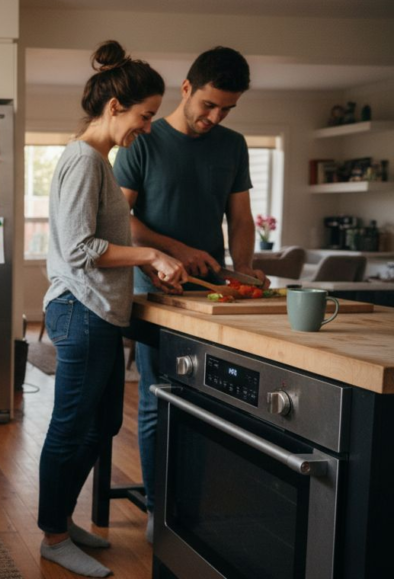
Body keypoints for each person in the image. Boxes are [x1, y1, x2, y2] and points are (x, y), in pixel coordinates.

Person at [39, 40, 187, 578]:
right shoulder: (83, 161)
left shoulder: (98, 160)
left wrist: (141, 263)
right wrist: (149, 252)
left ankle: (59, 520)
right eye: (145, 116)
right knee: (72, 426)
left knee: (99, 424)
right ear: (114, 107)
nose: (147, 128)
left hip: (97, 311)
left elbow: (97, 244)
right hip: (81, 311)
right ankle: (54, 536)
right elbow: (80, 249)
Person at [113, 46, 271, 544]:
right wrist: (176, 248)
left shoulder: (234, 144)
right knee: (162, 399)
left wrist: (242, 267)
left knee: (215, 402)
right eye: (209, 104)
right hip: (153, 291)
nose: (215, 117)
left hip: (212, 292)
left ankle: (201, 505)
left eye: (227, 109)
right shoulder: (143, 138)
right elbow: (122, 221)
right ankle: (162, 511)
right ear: (186, 89)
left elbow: (240, 217)